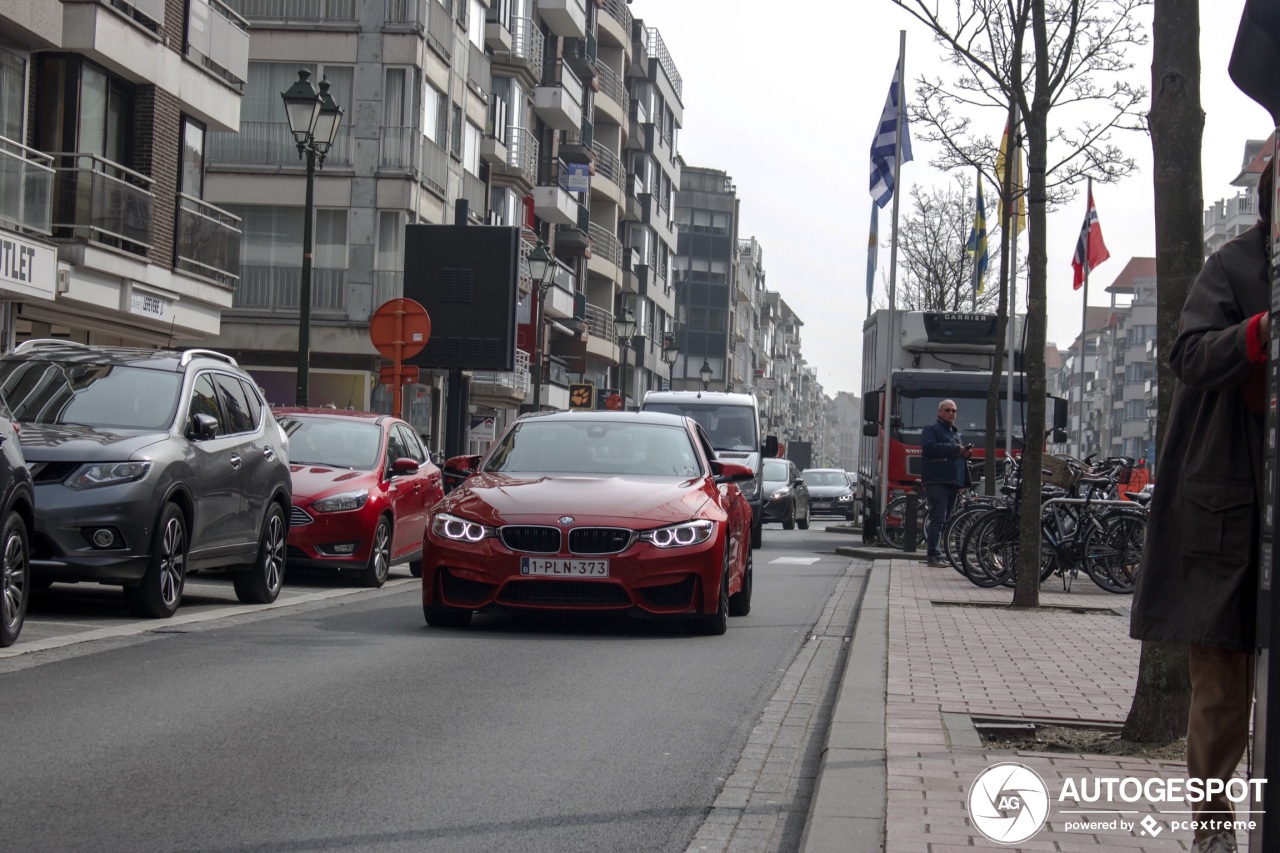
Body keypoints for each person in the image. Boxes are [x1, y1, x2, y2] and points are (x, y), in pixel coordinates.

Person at [1129, 162, 1273, 853]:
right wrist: (1258, 334)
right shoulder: (1233, 264)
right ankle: (1213, 831)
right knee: (1220, 687)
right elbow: (1187, 352)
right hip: (1224, 506)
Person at [919, 399, 972, 567]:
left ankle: (938, 553)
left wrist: (965, 454)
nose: (951, 413)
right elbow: (929, 447)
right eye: (948, 410)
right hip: (937, 481)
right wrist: (956, 449)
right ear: (939, 412)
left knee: (946, 519)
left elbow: (956, 454)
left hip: (952, 482)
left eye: (954, 411)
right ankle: (933, 556)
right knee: (938, 519)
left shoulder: (955, 433)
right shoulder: (931, 429)